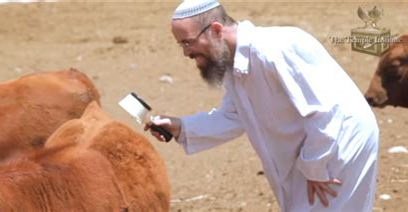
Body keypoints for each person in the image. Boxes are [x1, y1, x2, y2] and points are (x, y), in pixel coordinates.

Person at [145, 0, 380, 211]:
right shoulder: (234, 61)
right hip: (316, 149)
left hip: (340, 144)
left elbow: (323, 111)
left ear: (216, 30)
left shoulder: (274, 49)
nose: (187, 52)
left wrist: (316, 167)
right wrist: (181, 127)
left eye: (189, 42)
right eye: (181, 45)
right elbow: (234, 116)